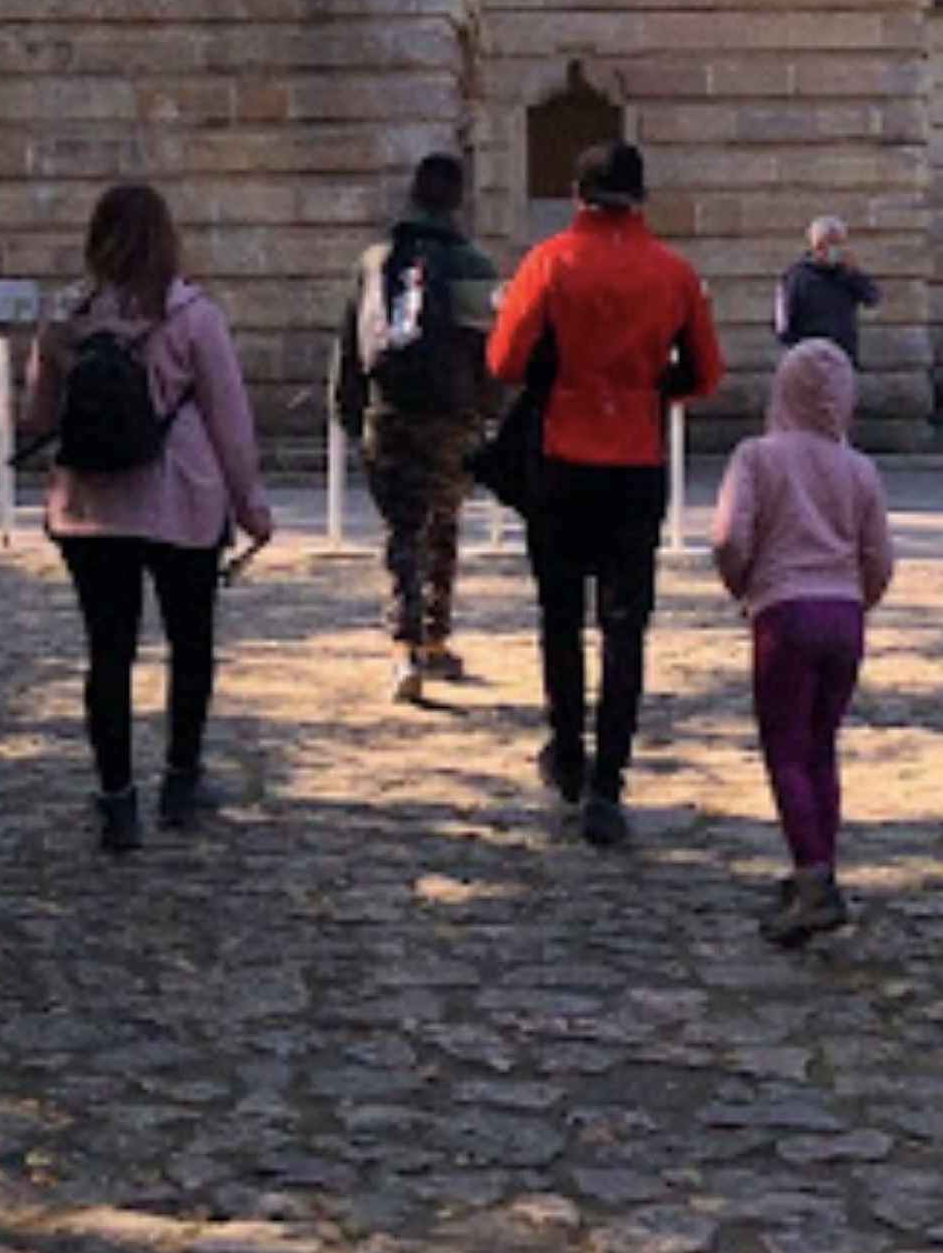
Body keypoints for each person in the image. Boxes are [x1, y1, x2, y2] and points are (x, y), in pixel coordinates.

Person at [484, 138, 724, 847]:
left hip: (561, 456)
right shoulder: (673, 272)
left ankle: (566, 753)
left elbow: (503, 359)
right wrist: (651, 387)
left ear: (576, 197)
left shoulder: (550, 262)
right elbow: (706, 372)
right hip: (636, 460)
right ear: (642, 197)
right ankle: (608, 784)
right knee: (624, 625)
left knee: (559, 616)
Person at [21, 180, 273, 854]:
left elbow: (36, 419)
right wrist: (251, 506)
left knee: (108, 653)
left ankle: (115, 802)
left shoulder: (65, 317)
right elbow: (229, 419)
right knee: (190, 645)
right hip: (182, 501)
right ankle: (180, 784)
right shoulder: (193, 316)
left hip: (90, 506)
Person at [711, 337, 895, 944]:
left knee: (786, 749)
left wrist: (744, 586)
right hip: (844, 616)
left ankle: (812, 877)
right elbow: (879, 556)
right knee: (821, 748)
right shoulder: (860, 468)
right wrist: (857, 599)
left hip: (784, 612)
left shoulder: (757, 458)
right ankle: (820, 864)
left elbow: (728, 537)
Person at [335, 150, 499, 705]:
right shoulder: (473, 263)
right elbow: (490, 350)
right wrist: (490, 412)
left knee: (401, 530)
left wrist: (350, 411)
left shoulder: (376, 260)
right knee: (443, 525)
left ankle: (402, 645)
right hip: (451, 413)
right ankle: (434, 637)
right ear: (458, 200)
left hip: (389, 407)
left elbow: (350, 343)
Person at [773, 213, 879, 362]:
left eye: (841, 243)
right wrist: (799, 349)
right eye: (832, 243)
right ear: (817, 245)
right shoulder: (796, 276)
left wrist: (854, 274)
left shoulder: (847, 274)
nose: (837, 249)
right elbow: (783, 324)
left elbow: (872, 298)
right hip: (808, 357)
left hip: (842, 356)